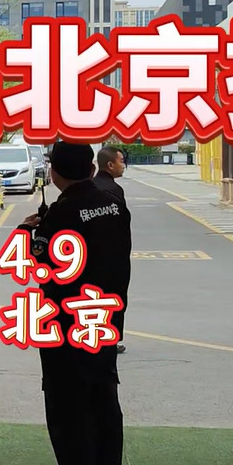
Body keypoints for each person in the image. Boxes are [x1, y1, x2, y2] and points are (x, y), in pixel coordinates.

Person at [18, 141, 132, 465]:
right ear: (91, 168)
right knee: (104, 404)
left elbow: (40, 262)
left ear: (54, 173)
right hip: (105, 319)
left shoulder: (61, 213)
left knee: (68, 409)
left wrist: (29, 232)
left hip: (66, 325)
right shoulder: (114, 204)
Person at [94, 146, 128, 355]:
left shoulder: (91, 187)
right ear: (110, 164)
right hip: (113, 256)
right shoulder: (114, 191)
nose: (123, 165)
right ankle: (111, 339)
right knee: (114, 297)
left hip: (93, 256)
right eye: (120, 161)